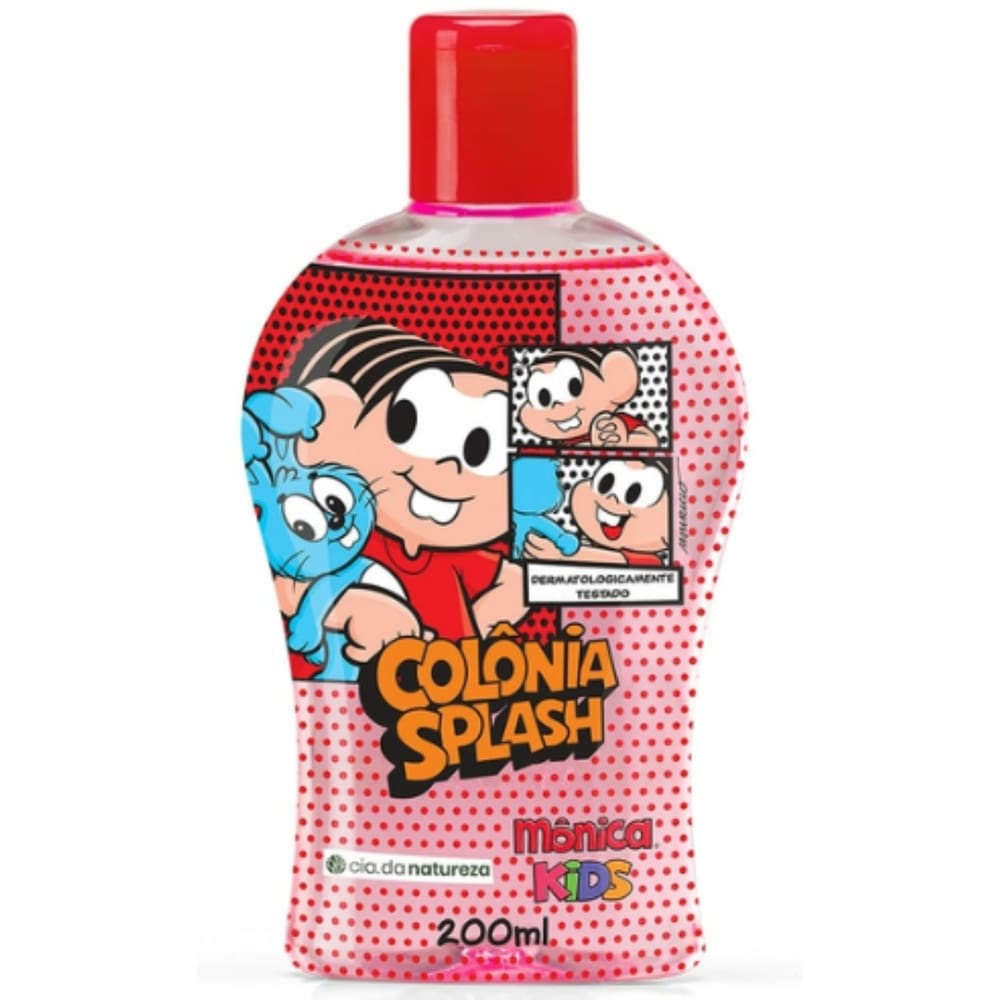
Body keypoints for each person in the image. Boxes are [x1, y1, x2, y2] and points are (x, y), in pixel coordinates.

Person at [289, 317, 529, 646]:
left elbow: (516, 584)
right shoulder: (347, 541)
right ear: (332, 423)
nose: (450, 466)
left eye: (483, 450)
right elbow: (290, 585)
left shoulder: (455, 557)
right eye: (410, 423)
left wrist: (471, 635)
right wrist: (350, 607)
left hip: (462, 674)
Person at [523, 458, 670, 566]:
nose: (612, 499)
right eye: (605, 484)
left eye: (634, 495)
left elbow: (619, 561)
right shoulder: (583, 539)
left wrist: (561, 556)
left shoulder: (649, 562)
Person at [517, 346, 659, 447]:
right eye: (543, 398)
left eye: (573, 387)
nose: (557, 405)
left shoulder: (613, 423)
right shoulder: (562, 442)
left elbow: (650, 441)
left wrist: (623, 442)